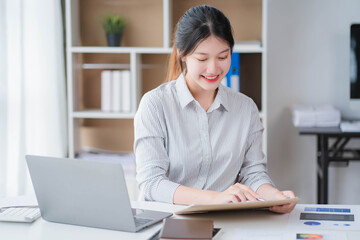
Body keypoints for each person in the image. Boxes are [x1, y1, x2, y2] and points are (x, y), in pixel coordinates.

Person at [134, 5, 296, 213]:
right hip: (165, 222)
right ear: (182, 54)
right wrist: (217, 198)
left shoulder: (246, 109)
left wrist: (274, 197)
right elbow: (152, 183)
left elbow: (253, 173)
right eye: (202, 59)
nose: (213, 69)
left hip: (223, 222)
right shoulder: (155, 105)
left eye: (222, 57)